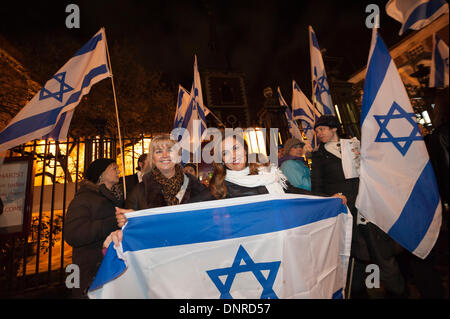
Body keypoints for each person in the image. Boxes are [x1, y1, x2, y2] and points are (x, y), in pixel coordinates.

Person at [311, 115, 405, 298]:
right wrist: (332, 197)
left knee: (381, 253)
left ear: (334, 129)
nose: (318, 133)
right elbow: (316, 189)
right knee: (357, 255)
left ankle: (397, 292)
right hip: (347, 213)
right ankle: (364, 292)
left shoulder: (354, 146)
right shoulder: (318, 155)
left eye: (321, 129)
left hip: (369, 208)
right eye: (316, 131)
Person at [190, 130, 346, 202]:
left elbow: (294, 192)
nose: (233, 156)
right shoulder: (219, 186)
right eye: (225, 153)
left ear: (245, 150)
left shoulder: (268, 172)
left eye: (236, 148)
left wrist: (328, 199)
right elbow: (188, 209)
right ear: (222, 160)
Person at [107, 134, 206, 246]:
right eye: (158, 151)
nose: (165, 155)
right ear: (152, 159)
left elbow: (208, 218)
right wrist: (129, 220)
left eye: (170, 150)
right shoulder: (139, 190)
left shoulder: (196, 186)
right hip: (156, 252)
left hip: (190, 248)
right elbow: (130, 229)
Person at [64, 158, 123, 298]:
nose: (119, 171)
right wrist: (112, 222)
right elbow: (74, 234)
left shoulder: (115, 197)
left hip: (111, 267)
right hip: (91, 270)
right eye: (114, 168)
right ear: (101, 174)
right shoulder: (84, 199)